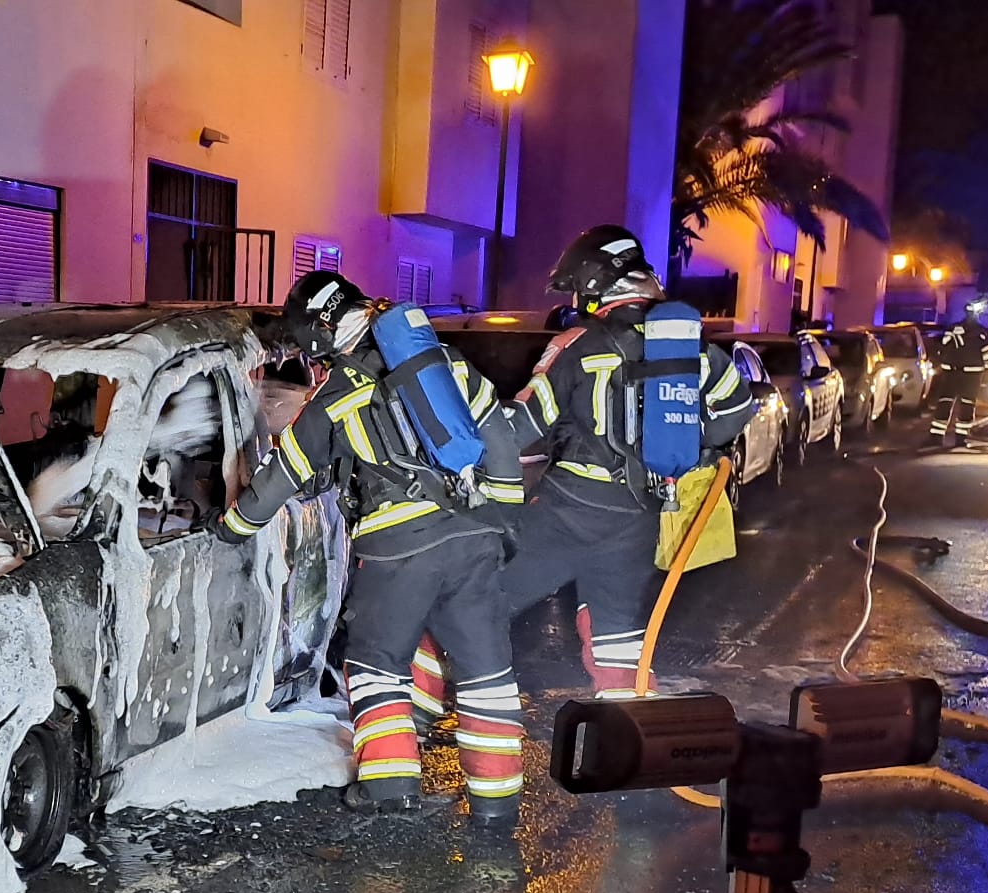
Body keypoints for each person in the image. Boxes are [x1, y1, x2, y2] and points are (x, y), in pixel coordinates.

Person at [213, 270, 532, 822]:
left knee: (375, 666)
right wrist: (502, 520)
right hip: (476, 537)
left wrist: (230, 529)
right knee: (487, 675)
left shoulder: (336, 395)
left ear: (319, 336)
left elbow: (284, 476)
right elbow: (499, 437)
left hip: (397, 552)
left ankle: (389, 789)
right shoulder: (444, 363)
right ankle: (498, 804)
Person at [486, 224, 755, 698]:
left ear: (596, 289)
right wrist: (688, 448)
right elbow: (737, 410)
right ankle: (629, 747)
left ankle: (412, 707)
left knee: (475, 599)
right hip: (640, 512)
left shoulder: (574, 347)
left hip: (569, 510)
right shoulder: (689, 347)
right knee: (619, 642)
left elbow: (522, 426)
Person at [931, 303, 988, 448]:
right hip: (961, 374)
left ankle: (955, 437)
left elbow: (987, 355)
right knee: (953, 404)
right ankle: (942, 436)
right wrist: (987, 375)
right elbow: (942, 347)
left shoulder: (980, 333)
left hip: (963, 374)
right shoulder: (976, 332)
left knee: (960, 405)